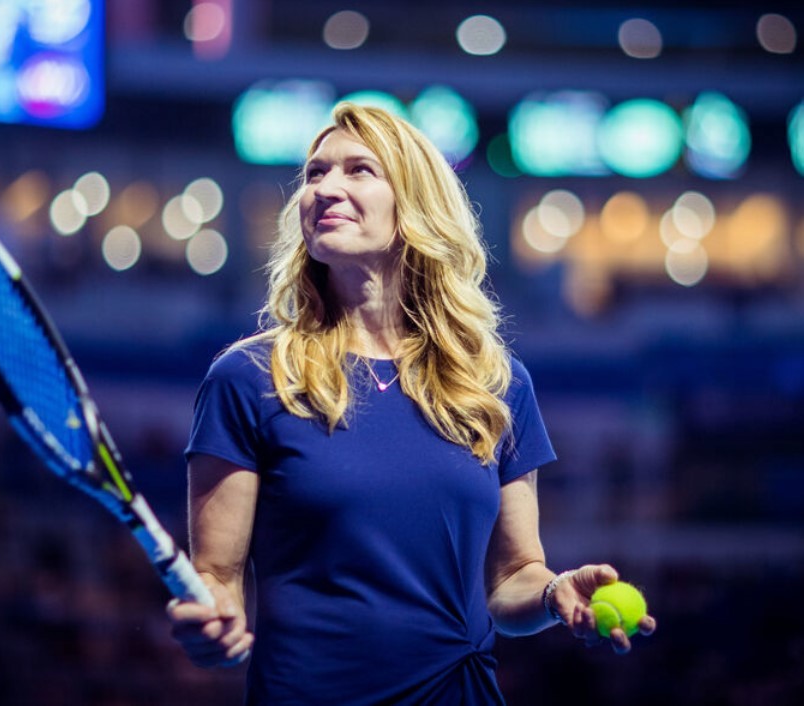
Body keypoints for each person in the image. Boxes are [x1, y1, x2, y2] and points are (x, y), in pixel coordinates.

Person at [167, 102, 656, 704]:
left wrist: (554, 595)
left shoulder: (495, 384)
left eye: (358, 170)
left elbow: (510, 582)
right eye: (315, 174)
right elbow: (217, 574)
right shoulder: (248, 378)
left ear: (415, 206)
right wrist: (210, 617)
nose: (325, 188)